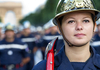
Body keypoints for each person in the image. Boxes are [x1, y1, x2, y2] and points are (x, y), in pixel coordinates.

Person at [32, 0, 100, 70]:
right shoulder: (41, 68)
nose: (79, 27)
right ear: (59, 28)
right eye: (71, 21)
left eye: (86, 21)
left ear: (94, 26)